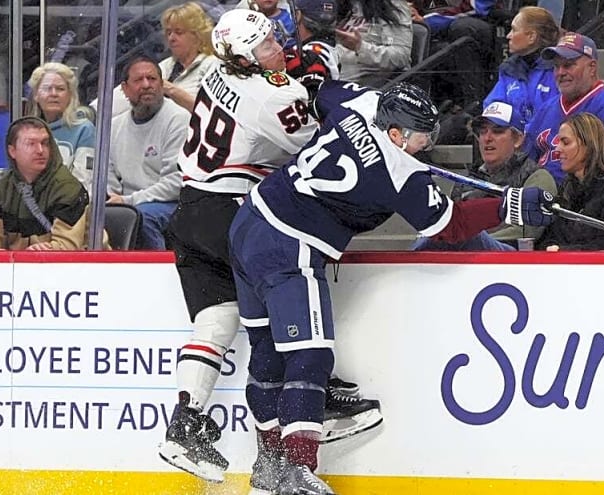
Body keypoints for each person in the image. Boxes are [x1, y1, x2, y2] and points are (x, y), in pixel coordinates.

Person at [229, 81, 555, 494]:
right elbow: (452, 227)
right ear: (397, 134)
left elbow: (320, 94)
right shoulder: (402, 175)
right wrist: (510, 204)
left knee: (267, 353)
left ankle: (269, 462)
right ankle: (295, 467)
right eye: (421, 138)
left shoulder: (364, 101)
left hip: (248, 222)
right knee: (309, 354)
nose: (426, 145)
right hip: (289, 245)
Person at [159, 9, 381, 486]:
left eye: (275, 38)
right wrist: (317, 83)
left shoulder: (221, 71)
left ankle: (185, 424)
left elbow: (270, 85)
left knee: (217, 320)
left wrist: (293, 74)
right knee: (285, 292)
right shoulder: (270, 95)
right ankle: (313, 396)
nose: (277, 48)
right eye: (264, 46)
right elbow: (317, 146)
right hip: (231, 210)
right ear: (243, 55)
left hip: (189, 211)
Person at [414, 101, 558, 251]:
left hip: (512, 260)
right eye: (482, 131)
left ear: (518, 139)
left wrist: (463, 240)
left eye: (497, 131)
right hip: (465, 260)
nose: (487, 138)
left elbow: (527, 231)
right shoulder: (468, 179)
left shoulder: (537, 177)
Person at [0, 117, 95, 251]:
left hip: (83, 268)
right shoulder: (1, 191)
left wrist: (31, 256)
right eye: (31, 144)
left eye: (45, 143)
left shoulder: (68, 188)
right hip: (19, 268)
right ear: (12, 151)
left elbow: (67, 249)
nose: (40, 150)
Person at [107, 56, 188, 250]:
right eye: (138, 80)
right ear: (125, 89)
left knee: (143, 217)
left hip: (169, 204)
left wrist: (128, 202)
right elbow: (107, 177)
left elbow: (176, 183)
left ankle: (158, 277)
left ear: (161, 84)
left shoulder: (179, 119)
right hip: (129, 204)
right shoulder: (114, 126)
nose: (146, 85)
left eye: (152, 79)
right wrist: (111, 200)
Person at [525, 32, 604, 185]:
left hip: (580, 197)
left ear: (592, 68)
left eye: (568, 65)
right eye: (556, 66)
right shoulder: (546, 108)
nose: (560, 73)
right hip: (540, 193)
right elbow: (527, 159)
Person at [537, 112, 604, 251]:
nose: (557, 149)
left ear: (589, 145)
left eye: (565, 142)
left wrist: (563, 251)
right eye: (558, 142)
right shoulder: (567, 187)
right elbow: (550, 236)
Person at [484, 6, 560, 132]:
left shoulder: (558, 70)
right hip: (513, 144)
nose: (508, 36)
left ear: (531, 36)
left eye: (513, 30)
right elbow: (491, 107)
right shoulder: (508, 70)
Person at [27, 62, 96, 188]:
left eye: (60, 89)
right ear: (36, 95)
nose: (53, 94)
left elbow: (83, 182)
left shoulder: (84, 130)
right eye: (47, 88)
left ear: (70, 95)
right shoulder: (26, 130)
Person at [335, 0, 412, 89]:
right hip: (332, 77)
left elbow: (401, 56)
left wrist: (361, 47)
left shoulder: (392, 6)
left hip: (364, 86)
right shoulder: (347, 6)